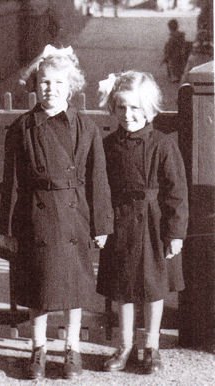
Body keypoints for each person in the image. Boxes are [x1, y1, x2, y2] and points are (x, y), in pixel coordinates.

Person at [0, 44, 113, 380]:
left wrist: (102, 224)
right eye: (45, 82)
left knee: (73, 289)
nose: (51, 89)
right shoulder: (21, 128)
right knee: (40, 289)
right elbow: (13, 182)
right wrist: (10, 226)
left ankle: (72, 349)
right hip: (37, 216)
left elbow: (98, 180)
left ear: (72, 87)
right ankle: (38, 349)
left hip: (75, 218)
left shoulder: (86, 128)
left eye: (59, 83)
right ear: (35, 85)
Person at [96, 70, 188, 374]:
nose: (128, 114)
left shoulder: (163, 145)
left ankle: (151, 346)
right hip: (120, 222)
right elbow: (100, 187)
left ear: (149, 109)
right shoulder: (107, 145)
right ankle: (124, 345)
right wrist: (101, 225)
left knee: (153, 286)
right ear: (113, 107)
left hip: (153, 225)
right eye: (121, 107)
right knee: (122, 287)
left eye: (135, 108)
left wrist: (175, 233)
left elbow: (176, 193)